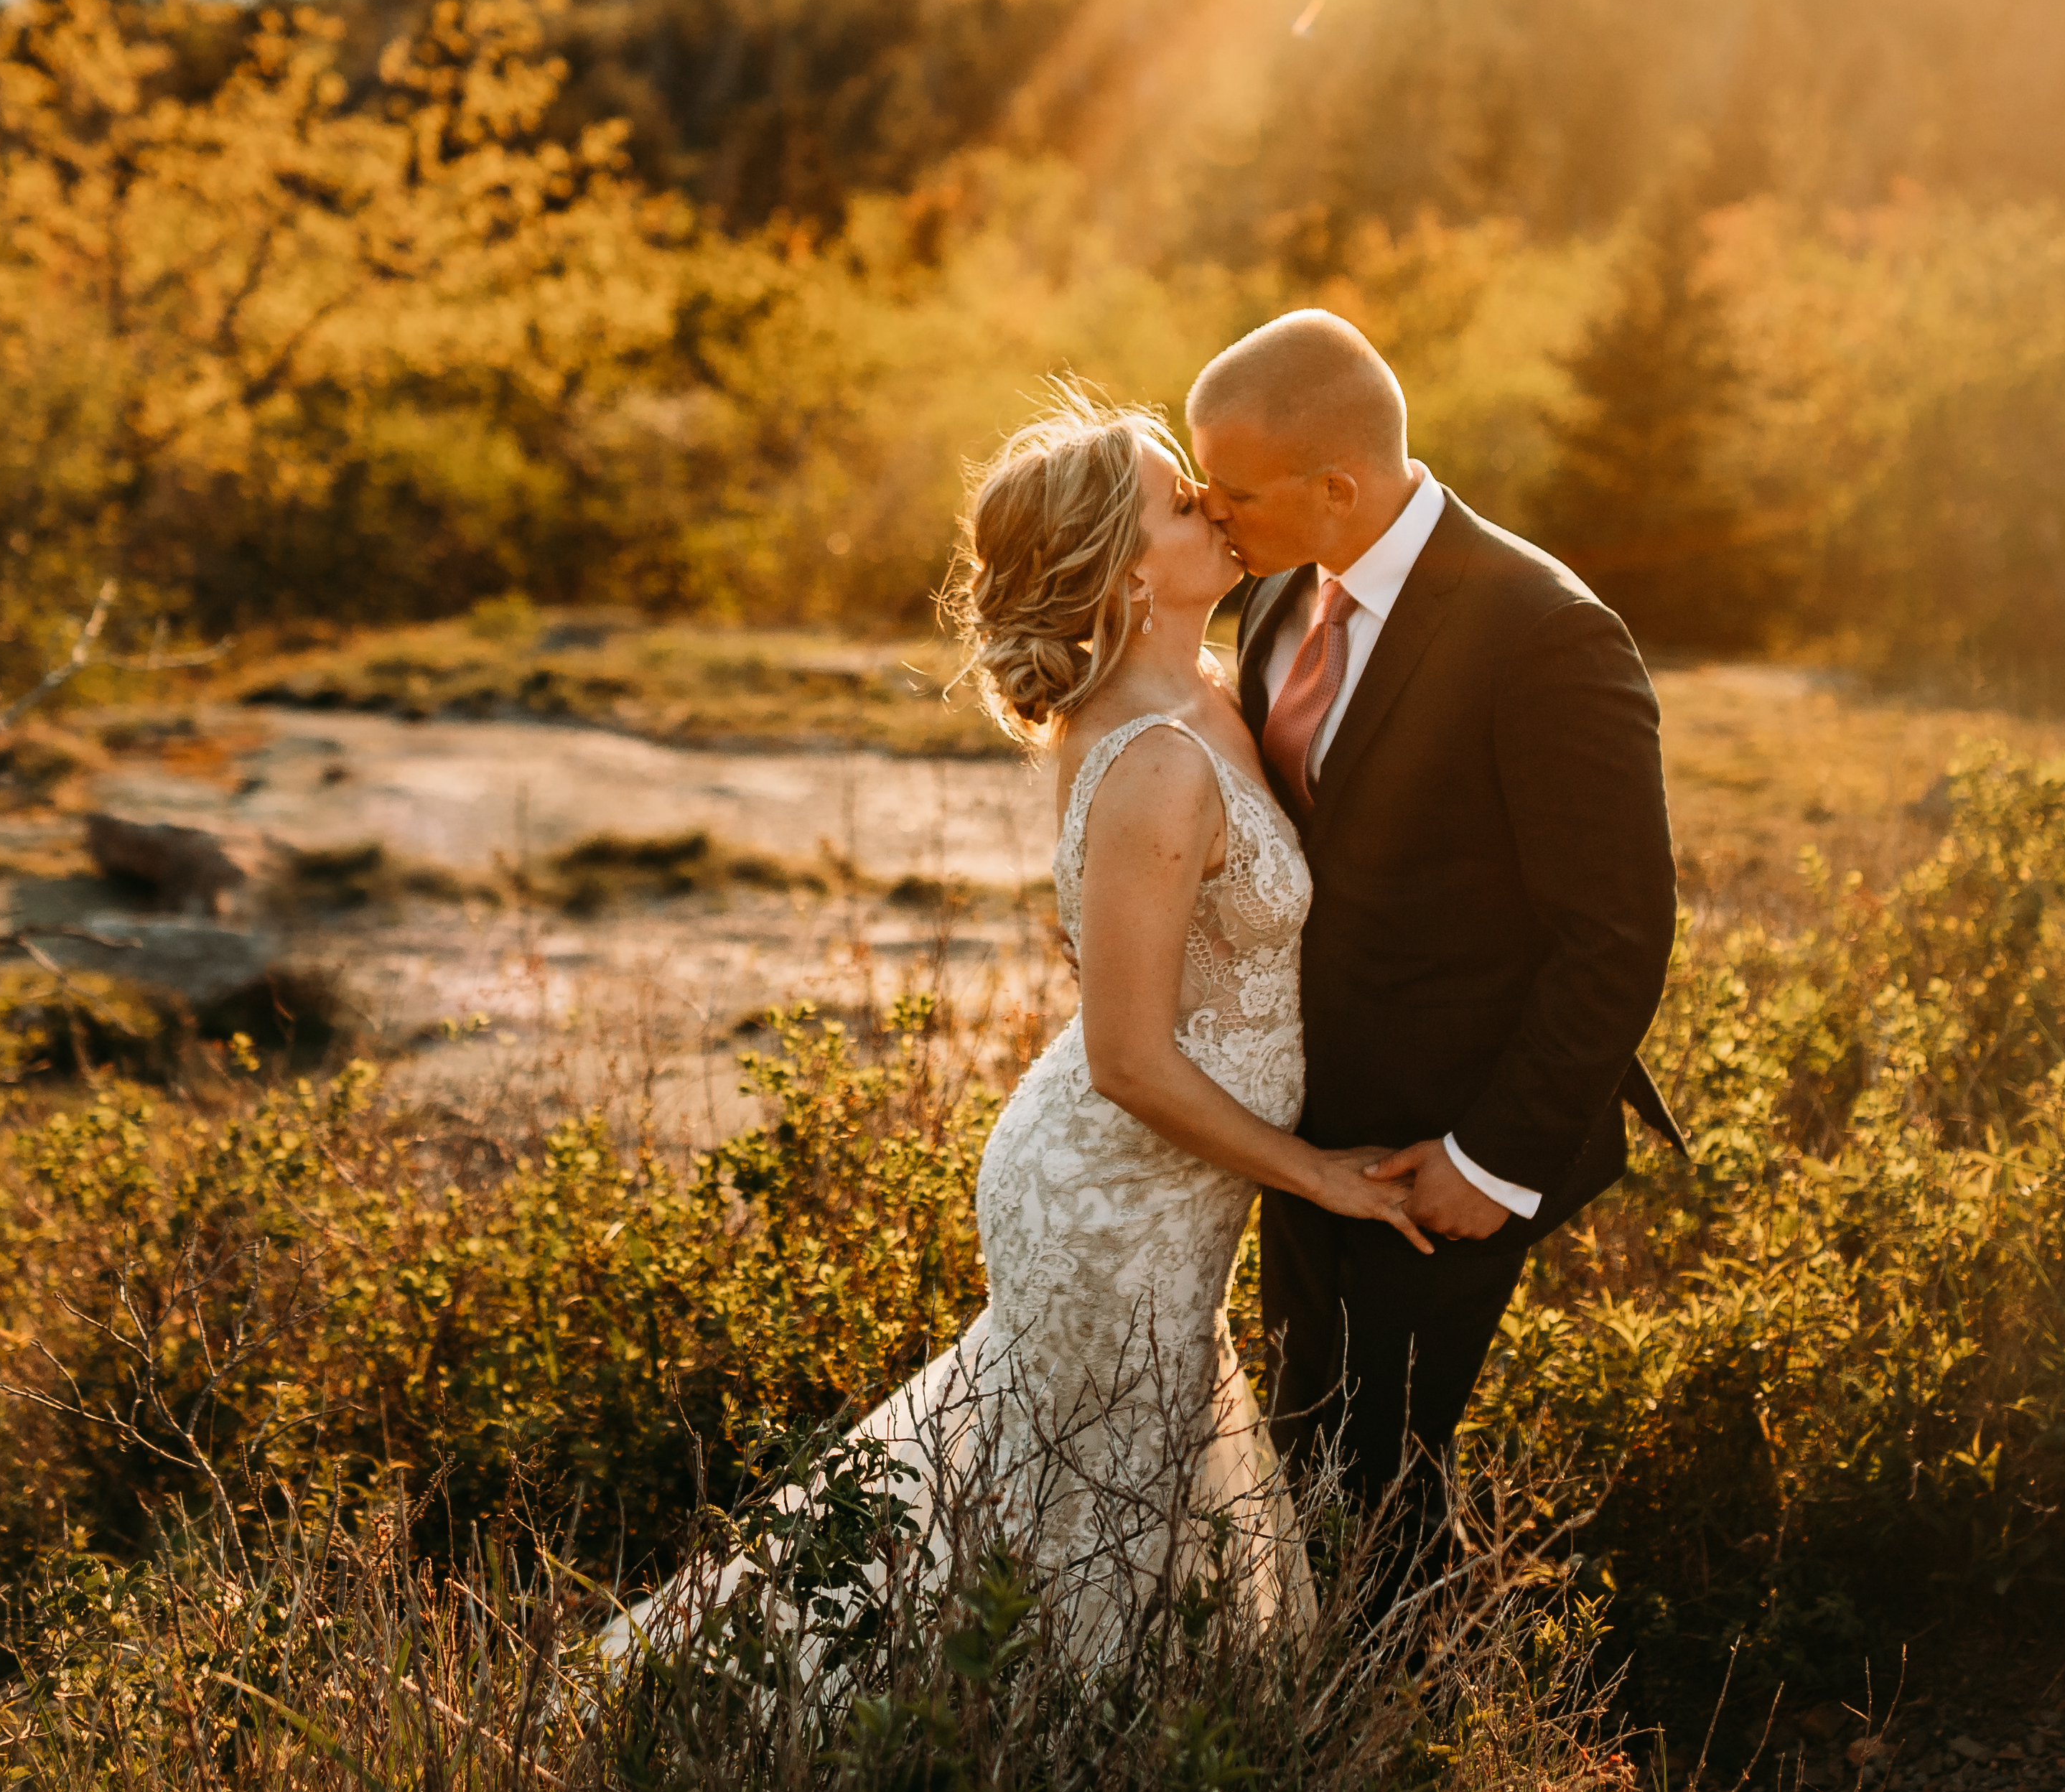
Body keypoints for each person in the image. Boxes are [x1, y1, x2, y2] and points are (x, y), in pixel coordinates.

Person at [607, 383, 1426, 1668]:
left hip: (1160, 1189)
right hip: (1114, 1198)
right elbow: (1129, 1056)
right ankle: (989, 1772)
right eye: (1176, 499)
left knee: (1087, 1502)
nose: (1210, 503)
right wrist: (1316, 1175)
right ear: (1117, 569)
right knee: (1087, 1523)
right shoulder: (1152, 754)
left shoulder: (1211, 679)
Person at [1187, 307, 1679, 1615]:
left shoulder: (1544, 632)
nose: (1206, 511)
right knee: (1311, 1456)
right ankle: (1353, 1732)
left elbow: (1617, 935)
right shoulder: (1279, 597)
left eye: (1232, 489)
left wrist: (1490, 1163)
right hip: (1306, 1133)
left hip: (1448, 1148)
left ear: (1335, 486)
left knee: (1377, 1475)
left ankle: (1392, 1775)